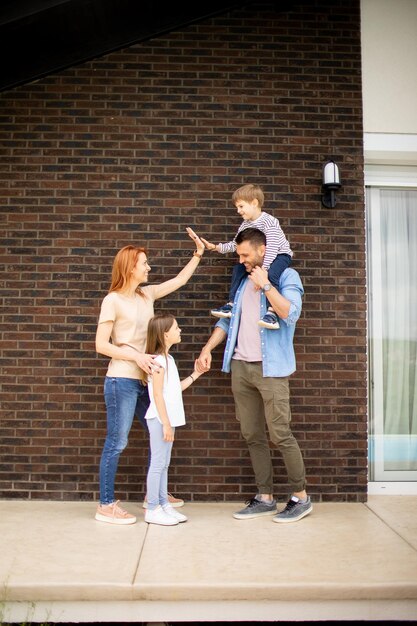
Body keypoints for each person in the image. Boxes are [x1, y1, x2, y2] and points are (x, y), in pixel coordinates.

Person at [196, 227, 312, 523]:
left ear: (262, 250)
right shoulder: (241, 282)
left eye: (246, 254)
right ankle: (265, 497)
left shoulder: (286, 277)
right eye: (239, 254)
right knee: (252, 434)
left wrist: (267, 286)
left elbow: (291, 313)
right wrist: (208, 348)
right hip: (240, 368)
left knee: (280, 434)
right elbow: (229, 323)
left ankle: (301, 497)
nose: (242, 259)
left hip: (271, 371)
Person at [95, 228, 205, 525]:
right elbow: (101, 345)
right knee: (117, 442)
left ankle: (154, 497)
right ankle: (105, 505)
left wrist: (198, 254)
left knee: (158, 436)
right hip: (122, 380)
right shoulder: (113, 300)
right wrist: (137, 357)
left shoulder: (147, 294)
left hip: (146, 380)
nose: (149, 268)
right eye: (144, 263)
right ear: (131, 266)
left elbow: (180, 280)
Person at [201, 183, 293, 330]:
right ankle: (231, 305)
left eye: (241, 206)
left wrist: (263, 272)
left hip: (280, 255)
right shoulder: (245, 225)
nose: (238, 211)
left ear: (254, 203)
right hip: (263, 257)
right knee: (238, 269)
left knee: (273, 275)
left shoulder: (269, 221)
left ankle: (272, 314)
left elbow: (273, 247)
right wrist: (217, 247)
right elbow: (236, 244)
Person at [143, 313, 204, 526]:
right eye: (176, 328)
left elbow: (173, 390)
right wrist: (166, 423)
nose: (180, 331)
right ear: (165, 334)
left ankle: (163, 504)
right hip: (160, 420)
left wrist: (196, 374)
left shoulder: (168, 359)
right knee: (158, 464)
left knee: (164, 464)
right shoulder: (158, 361)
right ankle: (152, 508)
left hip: (167, 420)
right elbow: (158, 395)